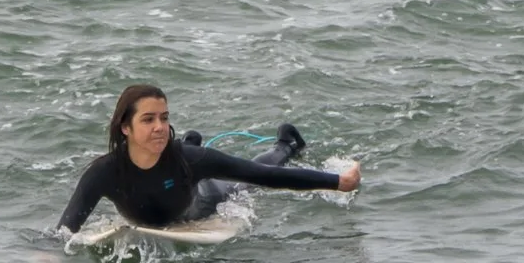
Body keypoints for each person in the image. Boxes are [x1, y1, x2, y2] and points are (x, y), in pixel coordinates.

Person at [56, 84, 361, 234]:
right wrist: (47, 256)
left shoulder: (191, 160)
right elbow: (66, 228)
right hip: (174, 186)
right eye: (148, 120)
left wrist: (338, 182)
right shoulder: (104, 173)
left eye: (164, 117)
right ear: (126, 128)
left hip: (205, 200)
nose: (160, 126)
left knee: (246, 183)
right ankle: (192, 138)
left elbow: (261, 175)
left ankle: (286, 143)